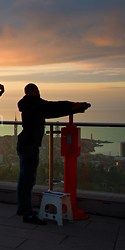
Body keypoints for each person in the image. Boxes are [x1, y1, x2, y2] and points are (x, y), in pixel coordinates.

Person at [17, 83, 90, 225]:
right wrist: (71, 106)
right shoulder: (35, 103)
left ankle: (22, 208)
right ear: (34, 91)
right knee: (28, 181)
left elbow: (50, 110)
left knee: (23, 178)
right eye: (38, 91)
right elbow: (51, 107)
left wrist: (71, 108)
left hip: (23, 144)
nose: (39, 93)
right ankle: (28, 214)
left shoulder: (27, 105)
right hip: (30, 146)